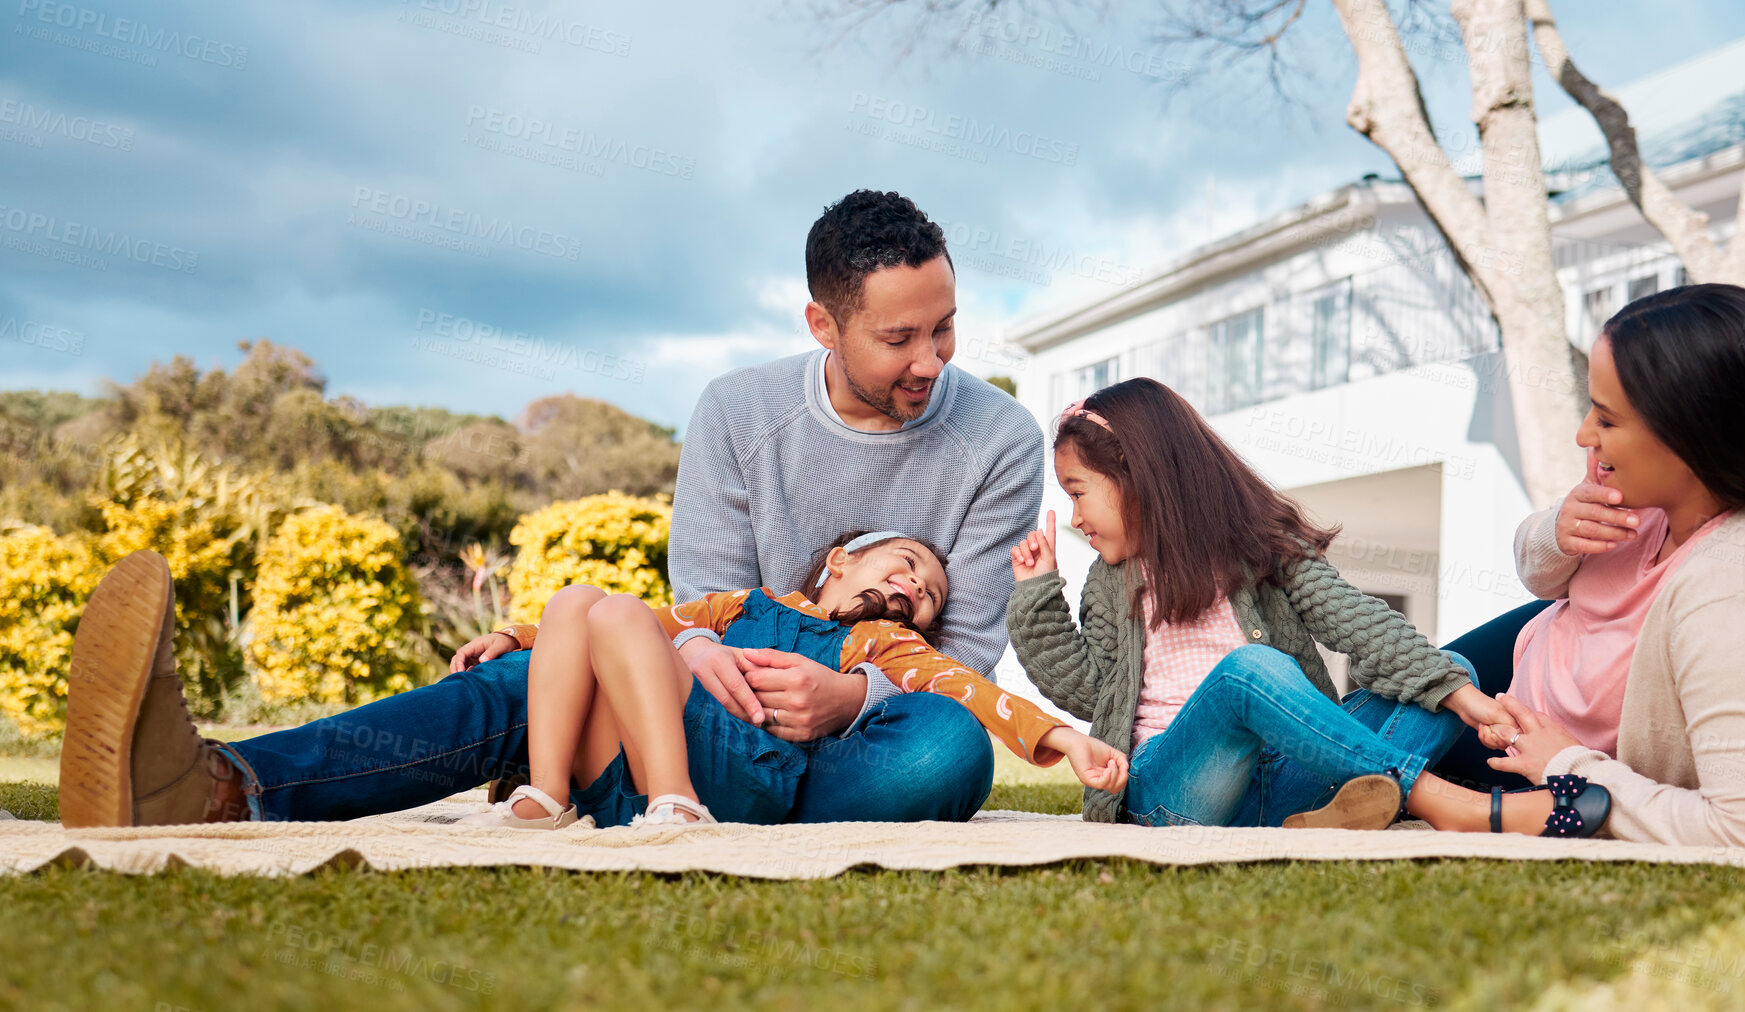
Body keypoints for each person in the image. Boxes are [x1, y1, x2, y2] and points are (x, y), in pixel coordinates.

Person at [57, 189, 1044, 828]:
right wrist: (663, 651)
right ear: (822, 324)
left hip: (860, 749)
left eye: (947, 326)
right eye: (900, 336)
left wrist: (849, 697)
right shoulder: (739, 414)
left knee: (950, 747)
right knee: (536, 669)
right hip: (707, 705)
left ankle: (643, 788)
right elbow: (703, 601)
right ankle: (221, 787)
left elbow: (962, 653)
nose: (932, 361)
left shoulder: (997, 440)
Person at [1400, 284, 1745, 849]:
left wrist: (1567, 765)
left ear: (1691, 435)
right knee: (1383, 698)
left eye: (1606, 420)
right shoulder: (1667, 492)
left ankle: (1458, 804)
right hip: (1538, 656)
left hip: (1544, 745)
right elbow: (1539, 570)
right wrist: (1560, 527)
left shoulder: (1735, 592)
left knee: (1340, 750)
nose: (1584, 435)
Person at [1006, 378, 1540, 832]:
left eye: (1077, 493)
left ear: (1136, 474)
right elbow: (1095, 694)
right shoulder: (1108, 583)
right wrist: (1037, 596)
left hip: (1285, 778)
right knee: (1248, 672)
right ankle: (1442, 802)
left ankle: (1327, 815)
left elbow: (1352, 618)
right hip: (1176, 790)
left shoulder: (1261, 543)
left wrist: (1464, 697)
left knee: (1449, 677)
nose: (1075, 518)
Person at [461, 530, 1125, 829]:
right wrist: (511, 636)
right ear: (840, 560)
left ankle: (677, 804)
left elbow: (972, 692)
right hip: (617, 770)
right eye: (907, 563)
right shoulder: (745, 605)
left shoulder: (883, 642)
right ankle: (549, 796)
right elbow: (644, 624)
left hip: (746, 769)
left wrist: (1063, 741)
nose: (915, 587)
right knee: (581, 601)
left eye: (926, 596)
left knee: (619, 613)